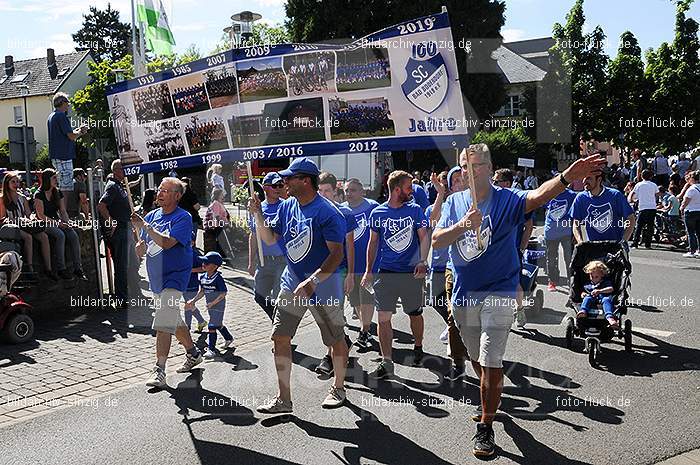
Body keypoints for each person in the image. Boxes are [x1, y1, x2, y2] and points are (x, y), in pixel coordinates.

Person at [432, 144, 605, 457]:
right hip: (464, 295)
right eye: (462, 166)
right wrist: (462, 226)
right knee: (476, 357)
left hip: (499, 291)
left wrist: (567, 177)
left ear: (487, 166)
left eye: (474, 165)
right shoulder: (455, 201)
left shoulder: (507, 199)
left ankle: (485, 427)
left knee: (490, 358)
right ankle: (491, 397)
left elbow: (537, 196)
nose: (467, 171)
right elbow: (437, 239)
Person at [248, 157, 349, 411]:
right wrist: (257, 214)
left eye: (289, 178)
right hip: (292, 282)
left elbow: (337, 254)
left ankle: (338, 388)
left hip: (324, 286)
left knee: (335, 340)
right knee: (280, 337)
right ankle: (284, 399)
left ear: (305, 180)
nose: (284, 182)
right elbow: (270, 239)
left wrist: (313, 280)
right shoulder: (287, 206)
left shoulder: (328, 212)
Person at [132, 177, 203, 388]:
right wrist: (139, 245)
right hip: (156, 276)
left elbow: (166, 242)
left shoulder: (183, 217)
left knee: (164, 317)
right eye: (159, 190)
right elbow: (146, 245)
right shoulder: (152, 215)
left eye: (165, 190)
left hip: (175, 274)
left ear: (177, 196)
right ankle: (193, 352)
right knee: (172, 316)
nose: (159, 193)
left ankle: (159, 370)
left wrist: (145, 226)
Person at [361, 170, 429, 379]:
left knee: (414, 313)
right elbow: (372, 244)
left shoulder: (415, 211)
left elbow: (424, 237)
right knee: (383, 318)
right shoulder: (377, 213)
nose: (412, 191)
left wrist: (422, 261)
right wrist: (368, 271)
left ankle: (418, 346)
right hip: (386, 274)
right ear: (397, 189)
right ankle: (386, 361)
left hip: (411, 273)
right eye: (409, 187)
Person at [315, 171, 357, 375]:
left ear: (335, 191)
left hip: (339, 271)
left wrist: (351, 274)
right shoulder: (313, 213)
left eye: (327, 191)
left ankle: (330, 356)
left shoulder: (345, 214)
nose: (323, 195)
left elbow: (350, 245)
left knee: (334, 313)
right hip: (319, 272)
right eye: (320, 190)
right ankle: (343, 341)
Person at [342, 178, 380, 349]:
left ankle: (364, 331)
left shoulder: (372, 207)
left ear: (362, 192)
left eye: (353, 190)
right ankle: (366, 325)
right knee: (355, 300)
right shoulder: (341, 210)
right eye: (347, 190)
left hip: (369, 265)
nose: (349, 193)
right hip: (350, 265)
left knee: (367, 298)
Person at [98, 160, 140, 308]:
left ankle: (136, 294)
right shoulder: (112, 186)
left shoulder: (120, 185)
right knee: (121, 266)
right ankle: (121, 299)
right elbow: (101, 205)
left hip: (126, 229)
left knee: (134, 264)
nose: (127, 172)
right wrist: (111, 222)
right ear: (117, 170)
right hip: (120, 231)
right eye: (124, 169)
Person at [34, 168, 87, 281]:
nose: (56, 180)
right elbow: (41, 216)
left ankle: (78, 268)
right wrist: (58, 224)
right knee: (60, 235)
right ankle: (61, 268)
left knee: (73, 234)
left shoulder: (57, 192)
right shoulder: (39, 194)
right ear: (47, 179)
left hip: (57, 220)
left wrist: (68, 222)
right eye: (54, 178)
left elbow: (63, 211)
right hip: (45, 222)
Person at [248, 173, 286, 320]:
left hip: (282, 260)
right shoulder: (257, 207)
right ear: (265, 187)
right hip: (263, 261)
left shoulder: (285, 206)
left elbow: (273, 238)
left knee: (279, 298)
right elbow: (253, 235)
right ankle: (279, 325)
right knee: (259, 296)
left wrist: (258, 213)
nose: (278, 188)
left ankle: (281, 333)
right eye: (274, 185)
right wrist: (251, 262)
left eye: (280, 185)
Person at [0, 172, 53, 279]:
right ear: (7, 183)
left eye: (17, 182)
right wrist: (13, 221)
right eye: (13, 182)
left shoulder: (22, 197)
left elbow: (28, 214)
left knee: (44, 236)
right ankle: (30, 268)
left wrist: (31, 220)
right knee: (28, 237)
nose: (16, 184)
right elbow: (2, 218)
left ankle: (49, 268)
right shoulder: (2, 199)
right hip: (11, 227)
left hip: (24, 224)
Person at [185, 251, 234, 359]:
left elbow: (223, 293)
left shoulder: (218, 278)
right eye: (203, 262)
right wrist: (193, 301)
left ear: (215, 266)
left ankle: (211, 350)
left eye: (207, 263)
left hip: (219, 305)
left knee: (211, 326)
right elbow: (202, 291)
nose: (203, 265)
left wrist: (213, 303)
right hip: (210, 305)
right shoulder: (202, 277)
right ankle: (229, 338)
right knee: (218, 324)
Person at [570, 170, 636, 244]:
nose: (584, 181)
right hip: (592, 247)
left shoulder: (615, 195)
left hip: (615, 246)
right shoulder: (581, 198)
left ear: (599, 180)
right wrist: (580, 241)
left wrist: (624, 241)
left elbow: (631, 218)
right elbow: (576, 223)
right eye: (584, 178)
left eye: (588, 178)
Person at [47, 92, 88, 197]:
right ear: (62, 103)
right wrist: (81, 132)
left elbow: (66, 134)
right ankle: (65, 212)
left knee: (61, 186)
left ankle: (63, 211)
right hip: (64, 156)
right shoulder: (61, 116)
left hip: (57, 155)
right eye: (67, 102)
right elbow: (71, 136)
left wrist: (78, 130)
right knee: (65, 188)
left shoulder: (52, 116)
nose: (69, 105)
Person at [543, 187, 577, 291]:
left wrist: (575, 233)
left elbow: (576, 212)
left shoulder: (572, 195)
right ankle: (552, 281)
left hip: (566, 232)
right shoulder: (549, 192)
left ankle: (571, 283)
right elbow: (545, 208)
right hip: (550, 233)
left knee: (569, 259)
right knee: (551, 259)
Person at [578, 260, 617, 328]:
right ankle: (583, 311)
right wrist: (583, 294)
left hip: (603, 298)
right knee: (587, 298)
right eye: (592, 276)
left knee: (607, 300)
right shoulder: (588, 284)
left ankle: (609, 317)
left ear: (602, 275)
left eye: (596, 277)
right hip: (592, 299)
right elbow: (584, 292)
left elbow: (611, 289)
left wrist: (600, 291)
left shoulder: (605, 282)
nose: (594, 279)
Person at [628, 169, 659, 249]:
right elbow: (657, 195)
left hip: (643, 207)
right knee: (650, 226)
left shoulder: (638, 185)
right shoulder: (654, 185)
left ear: (642, 176)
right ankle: (648, 244)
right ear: (651, 177)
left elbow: (632, 195)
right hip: (652, 207)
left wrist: (633, 200)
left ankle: (635, 243)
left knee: (639, 226)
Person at [183, 233, 207, 333]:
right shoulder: (181, 252)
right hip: (183, 284)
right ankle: (201, 321)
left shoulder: (195, 254)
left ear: (192, 243)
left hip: (192, 285)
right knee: (189, 305)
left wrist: (191, 270)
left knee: (188, 307)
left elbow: (204, 268)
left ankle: (187, 330)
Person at [680, 170, 700, 258]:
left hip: (691, 211)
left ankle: (692, 250)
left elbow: (685, 201)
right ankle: (699, 250)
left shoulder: (691, 189)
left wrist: (681, 208)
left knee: (691, 232)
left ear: (692, 178)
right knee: (699, 232)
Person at [204, 188, 229, 255]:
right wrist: (222, 223)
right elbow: (216, 215)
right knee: (220, 239)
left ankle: (222, 253)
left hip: (218, 225)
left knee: (219, 239)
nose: (223, 195)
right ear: (218, 195)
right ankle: (222, 253)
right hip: (215, 225)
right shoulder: (216, 203)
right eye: (221, 194)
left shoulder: (219, 203)